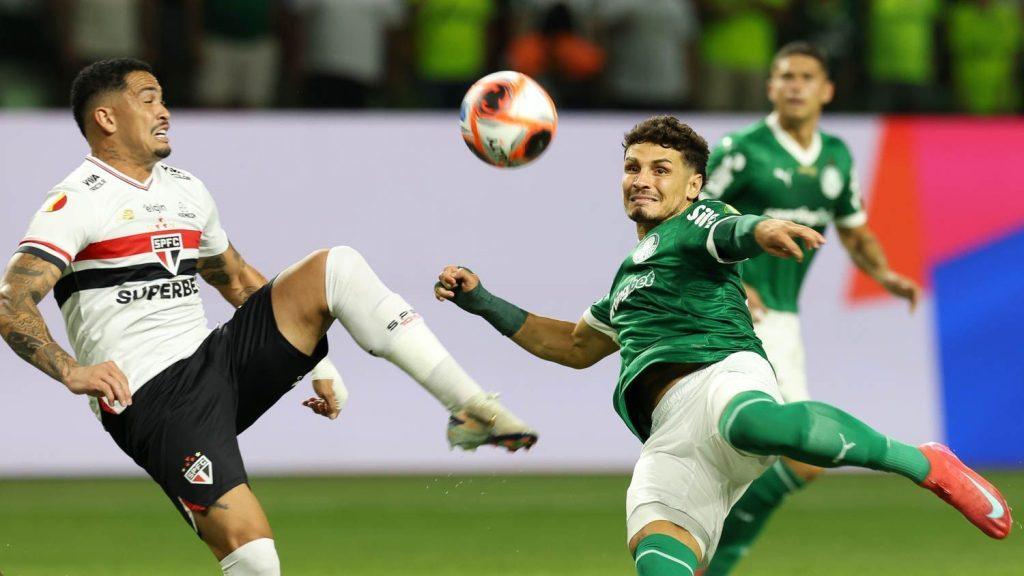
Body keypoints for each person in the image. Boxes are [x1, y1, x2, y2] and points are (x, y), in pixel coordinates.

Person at [0, 58, 536, 575]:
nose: (164, 111)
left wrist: (316, 364)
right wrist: (71, 371)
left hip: (219, 360)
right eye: (147, 99)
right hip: (153, 397)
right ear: (106, 118)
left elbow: (235, 279)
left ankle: (470, 408)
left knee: (337, 266)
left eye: (162, 99)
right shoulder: (77, 200)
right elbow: (11, 302)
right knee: (254, 557)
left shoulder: (185, 188)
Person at [434, 115, 1011, 575]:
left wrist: (762, 229)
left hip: (721, 377)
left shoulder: (698, 220)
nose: (642, 179)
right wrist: (481, 300)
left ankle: (924, 463)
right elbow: (571, 345)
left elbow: (731, 230)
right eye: (633, 167)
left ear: (693, 185)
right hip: (668, 441)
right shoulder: (625, 282)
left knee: (758, 424)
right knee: (657, 557)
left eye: (661, 169)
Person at [700, 41, 923, 575]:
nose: (795, 85)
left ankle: (708, 552)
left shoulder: (836, 157)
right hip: (736, 314)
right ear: (770, 87)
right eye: (785, 76)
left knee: (792, 457)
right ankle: (712, 555)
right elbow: (695, 215)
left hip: (783, 318)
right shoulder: (741, 149)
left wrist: (884, 274)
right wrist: (734, 278)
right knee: (796, 452)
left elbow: (855, 230)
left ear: (827, 90)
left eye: (805, 77)